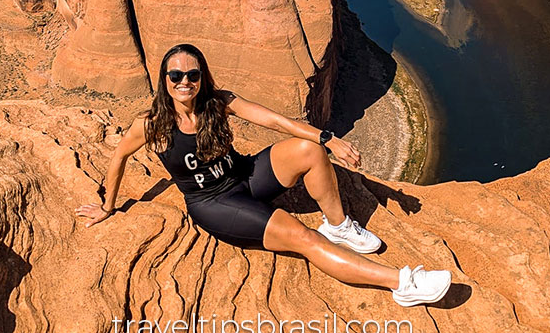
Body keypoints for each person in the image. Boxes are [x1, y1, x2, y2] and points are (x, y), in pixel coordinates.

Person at [77, 42, 451, 306]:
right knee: (301, 236)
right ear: (164, 78)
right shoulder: (152, 124)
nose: (184, 81)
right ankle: (403, 283)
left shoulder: (217, 103)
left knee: (311, 151)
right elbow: (119, 157)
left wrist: (328, 137)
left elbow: (273, 120)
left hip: (244, 175)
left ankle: (338, 226)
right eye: (175, 75)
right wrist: (107, 206)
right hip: (215, 203)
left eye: (192, 74)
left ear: (202, 76)